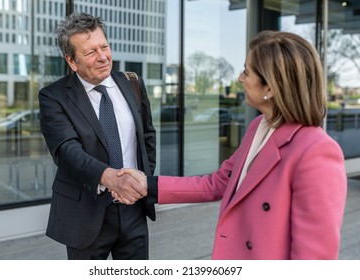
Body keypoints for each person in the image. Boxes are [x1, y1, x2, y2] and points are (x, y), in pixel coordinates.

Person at [116, 30, 347, 260]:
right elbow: (219, 183)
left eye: (247, 71)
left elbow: (315, 260)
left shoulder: (316, 151)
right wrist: (148, 185)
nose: (240, 79)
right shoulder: (260, 126)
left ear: (270, 88)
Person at [38, 13, 156, 260]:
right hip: (86, 214)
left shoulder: (132, 83)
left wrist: (138, 183)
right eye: (91, 52)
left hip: (133, 208)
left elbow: (147, 137)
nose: (103, 57)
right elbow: (67, 151)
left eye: (104, 47)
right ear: (72, 61)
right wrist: (112, 180)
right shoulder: (53, 96)